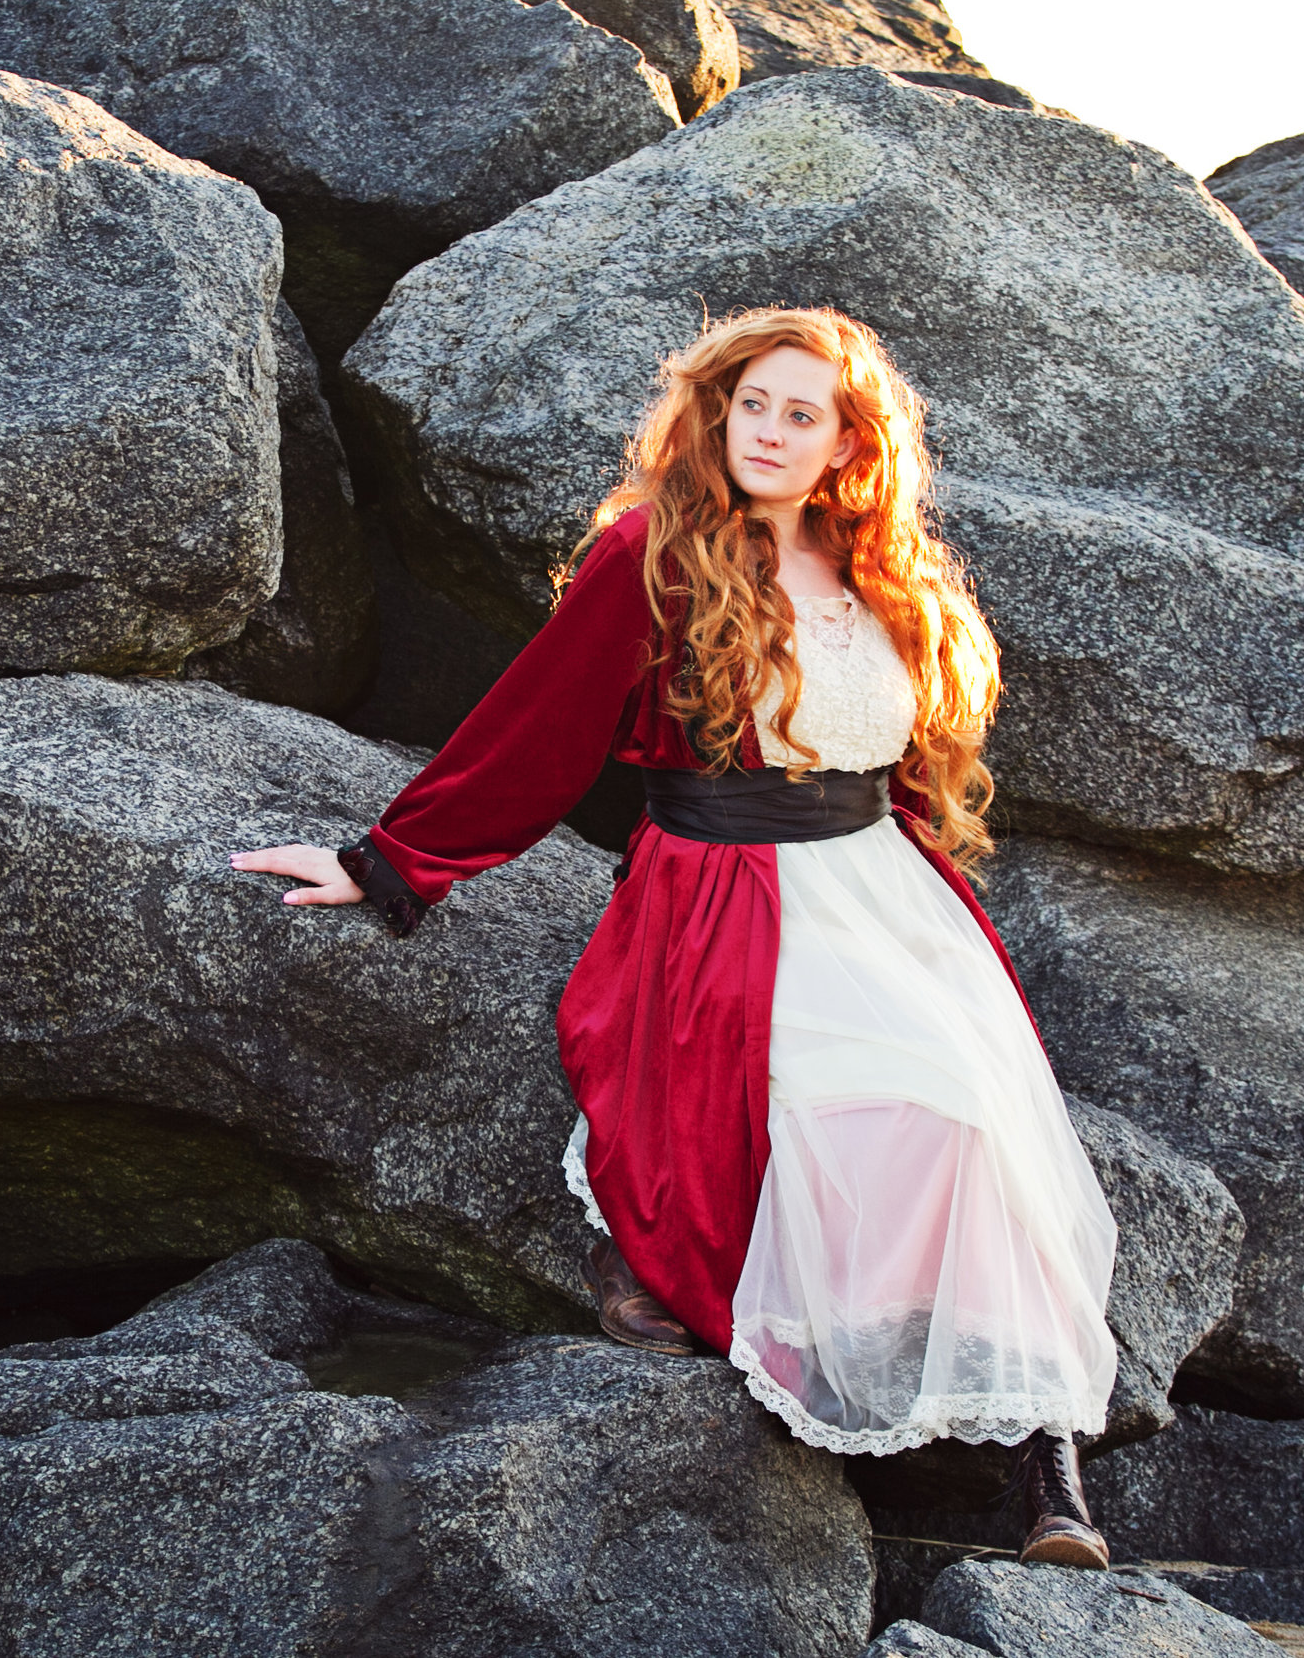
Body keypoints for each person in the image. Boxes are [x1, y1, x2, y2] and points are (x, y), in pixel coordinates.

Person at [232, 307, 1119, 1568]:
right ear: (716, 410)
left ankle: (1050, 1474)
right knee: (844, 1116)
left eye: (799, 414)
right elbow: (535, 726)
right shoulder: (657, 554)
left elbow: (901, 760)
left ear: (847, 444)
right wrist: (385, 864)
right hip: (724, 888)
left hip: (886, 892)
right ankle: (772, 1340)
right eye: (750, 403)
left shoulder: (887, 574)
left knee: (980, 1123)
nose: (766, 431)